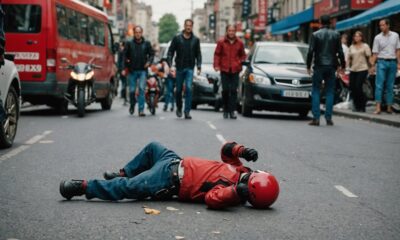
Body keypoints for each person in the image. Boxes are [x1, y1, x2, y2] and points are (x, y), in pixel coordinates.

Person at [59, 141, 279, 210]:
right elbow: (226, 152)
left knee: (126, 188)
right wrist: (242, 151)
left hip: (168, 180)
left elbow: (213, 199)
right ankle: (123, 172)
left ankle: (83, 187)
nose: (250, 174)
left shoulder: (232, 193)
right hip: (173, 160)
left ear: (249, 192)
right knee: (152, 147)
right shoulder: (241, 171)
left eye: (250, 178)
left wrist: (233, 192)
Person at [306, 15, 345, 126]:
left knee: (316, 90)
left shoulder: (315, 34)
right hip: (331, 66)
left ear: (320, 22)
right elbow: (340, 52)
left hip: (319, 65)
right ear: (331, 22)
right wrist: (342, 66)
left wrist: (308, 66)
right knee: (329, 91)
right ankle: (328, 118)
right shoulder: (336, 34)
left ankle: (316, 118)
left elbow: (310, 52)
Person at [167, 19, 202, 120]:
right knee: (178, 90)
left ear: (192, 26)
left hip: (190, 68)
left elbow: (198, 54)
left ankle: (187, 111)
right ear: (184, 26)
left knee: (189, 88)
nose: (188, 27)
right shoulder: (177, 38)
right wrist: (170, 65)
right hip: (179, 68)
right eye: (187, 25)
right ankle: (179, 107)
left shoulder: (196, 40)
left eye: (190, 26)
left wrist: (199, 66)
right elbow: (170, 52)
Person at [214, 24, 246, 119]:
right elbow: (217, 54)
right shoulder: (221, 42)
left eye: (233, 31)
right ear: (226, 31)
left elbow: (243, 55)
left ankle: (232, 111)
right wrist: (216, 65)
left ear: (235, 32)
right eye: (229, 31)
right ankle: (225, 109)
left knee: (233, 90)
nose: (231, 32)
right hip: (224, 69)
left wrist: (239, 62)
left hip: (235, 70)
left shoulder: (240, 42)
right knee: (225, 90)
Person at [369, 19, 400, 114]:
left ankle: (389, 107)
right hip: (381, 62)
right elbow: (375, 53)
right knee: (379, 85)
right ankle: (378, 107)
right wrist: (372, 65)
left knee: (390, 86)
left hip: (393, 62)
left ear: (388, 25)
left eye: (383, 25)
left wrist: (399, 63)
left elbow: (398, 50)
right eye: (380, 25)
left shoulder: (395, 36)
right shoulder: (377, 38)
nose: (381, 27)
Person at [124, 26, 155, 117]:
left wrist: (148, 62)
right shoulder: (129, 43)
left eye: (139, 32)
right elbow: (125, 55)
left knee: (141, 89)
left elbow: (152, 54)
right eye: (136, 32)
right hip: (132, 70)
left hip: (142, 71)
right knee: (132, 91)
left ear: (142, 33)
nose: (138, 34)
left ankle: (141, 110)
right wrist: (125, 65)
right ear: (134, 33)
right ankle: (133, 104)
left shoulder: (147, 43)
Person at [347, 31, 371, 112]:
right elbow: (349, 58)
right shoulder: (351, 47)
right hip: (353, 69)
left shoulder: (365, 46)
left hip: (362, 69)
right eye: (355, 36)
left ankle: (362, 105)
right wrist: (346, 67)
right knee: (352, 88)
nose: (356, 38)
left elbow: (369, 57)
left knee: (358, 87)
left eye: (358, 36)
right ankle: (357, 105)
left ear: (361, 37)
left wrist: (371, 67)